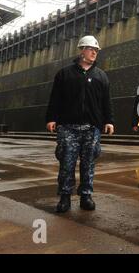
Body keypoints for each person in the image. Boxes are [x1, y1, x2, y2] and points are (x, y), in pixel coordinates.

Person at [46, 35, 114, 213]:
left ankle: (86, 195)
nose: (94, 52)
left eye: (96, 50)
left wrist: (109, 121)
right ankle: (65, 197)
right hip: (68, 126)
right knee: (67, 163)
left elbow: (106, 101)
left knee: (88, 163)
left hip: (92, 128)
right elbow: (55, 98)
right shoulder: (65, 74)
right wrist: (51, 118)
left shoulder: (101, 76)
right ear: (82, 49)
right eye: (91, 49)